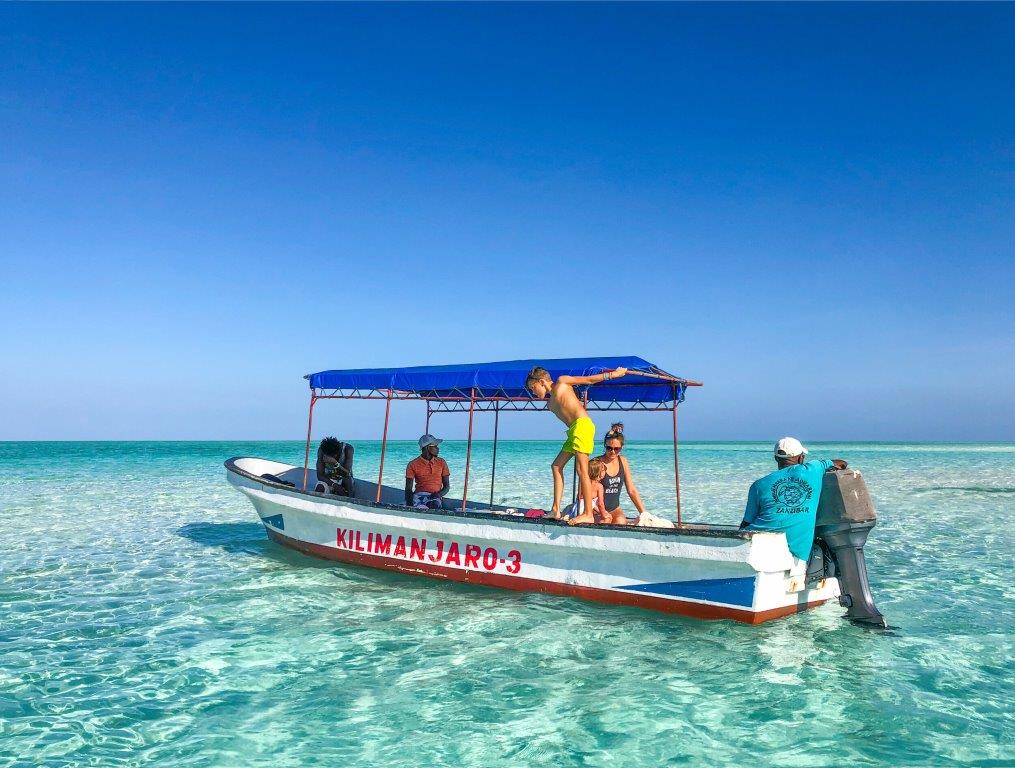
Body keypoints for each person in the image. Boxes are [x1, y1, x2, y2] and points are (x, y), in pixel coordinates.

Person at [525, 364, 632, 520]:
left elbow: (588, 379)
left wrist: (614, 374)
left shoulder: (562, 382)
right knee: (556, 466)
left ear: (542, 381)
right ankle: (555, 510)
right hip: (573, 432)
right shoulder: (550, 403)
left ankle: (588, 514)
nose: (533, 392)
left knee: (582, 471)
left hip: (582, 425)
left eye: (533, 387)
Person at [740, 437, 848, 561]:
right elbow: (841, 463)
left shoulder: (758, 485)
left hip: (755, 546)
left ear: (776, 458)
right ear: (801, 458)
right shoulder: (814, 469)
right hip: (794, 553)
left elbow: (746, 524)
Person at [594, 422, 650, 525]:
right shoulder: (596, 463)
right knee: (605, 522)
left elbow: (631, 490)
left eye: (617, 449)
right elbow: (585, 493)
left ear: (621, 447)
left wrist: (644, 513)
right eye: (609, 448)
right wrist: (601, 512)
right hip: (597, 510)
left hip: (615, 509)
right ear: (605, 446)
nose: (613, 452)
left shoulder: (623, 461)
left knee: (620, 522)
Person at [405, 434, 450, 509]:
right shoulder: (412, 464)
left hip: (435, 496)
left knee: (433, 505)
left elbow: (446, 486)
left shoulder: (441, 462)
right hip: (419, 495)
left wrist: (438, 495)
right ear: (427, 447)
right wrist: (409, 506)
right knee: (418, 507)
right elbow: (408, 489)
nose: (437, 448)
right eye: (435, 446)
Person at [566, 457, 609, 525]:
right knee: (608, 517)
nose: (605, 472)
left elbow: (579, 498)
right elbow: (600, 504)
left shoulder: (583, 483)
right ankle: (599, 531)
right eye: (603, 470)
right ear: (599, 473)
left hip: (576, 508)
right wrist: (604, 514)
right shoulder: (599, 486)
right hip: (585, 510)